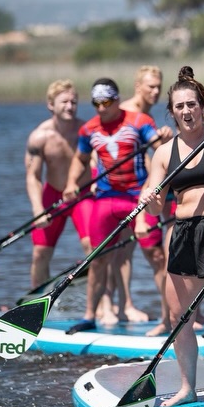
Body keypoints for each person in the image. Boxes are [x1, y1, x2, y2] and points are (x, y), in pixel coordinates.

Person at [139, 66, 204, 406]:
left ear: (202, 105)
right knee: (181, 319)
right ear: (172, 111)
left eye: (192, 104)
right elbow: (155, 209)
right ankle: (186, 388)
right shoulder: (164, 153)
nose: (186, 111)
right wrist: (149, 202)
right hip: (182, 233)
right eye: (179, 106)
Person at [62, 78, 161, 334]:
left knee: (157, 255)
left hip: (138, 195)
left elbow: (161, 151)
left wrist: (166, 138)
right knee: (97, 259)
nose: (101, 108)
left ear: (117, 99)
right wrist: (72, 182)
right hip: (106, 198)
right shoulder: (89, 130)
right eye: (96, 103)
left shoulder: (140, 122)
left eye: (106, 102)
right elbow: (81, 159)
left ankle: (172, 317)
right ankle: (89, 316)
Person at [117, 65, 174, 335]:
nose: (156, 91)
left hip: (148, 190)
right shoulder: (124, 113)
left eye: (158, 87)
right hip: (124, 192)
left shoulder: (149, 118)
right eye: (150, 86)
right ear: (138, 86)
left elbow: (156, 157)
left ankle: (170, 315)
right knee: (121, 253)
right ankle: (122, 306)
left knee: (159, 255)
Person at [24, 79, 93, 288]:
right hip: (52, 195)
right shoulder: (39, 137)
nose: (70, 106)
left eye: (74, 102)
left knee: (93, 247)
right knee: (40, 253)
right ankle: (36, 300)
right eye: (64, 102)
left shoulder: (87, 131)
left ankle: (99, 305)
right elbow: (33, 176)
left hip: (82, 194)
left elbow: (99, 160)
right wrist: (38, 210)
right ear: (50, 104)